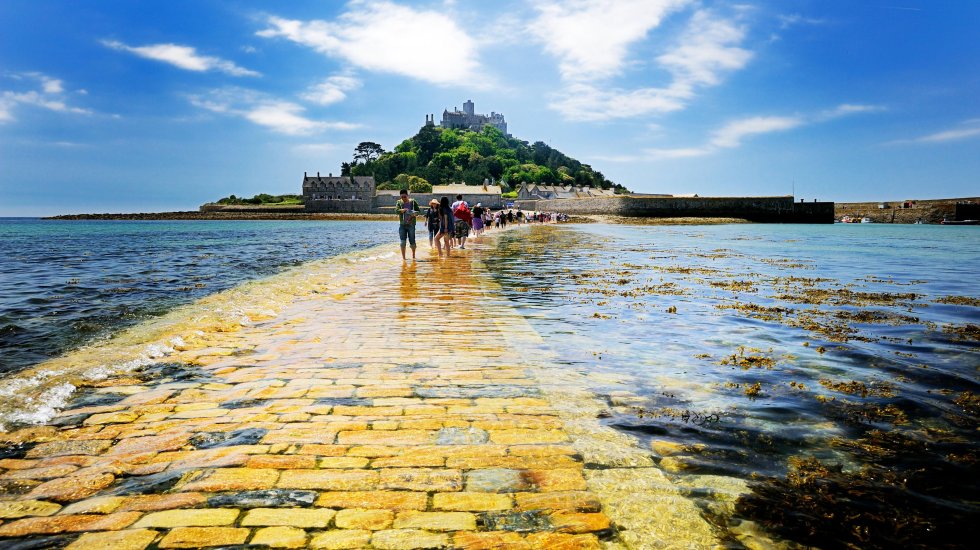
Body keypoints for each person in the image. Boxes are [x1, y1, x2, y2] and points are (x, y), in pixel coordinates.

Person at [396, 189, 420, 261]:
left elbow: (418, 211)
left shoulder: (413, 202)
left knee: (412, 241)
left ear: (407, 195)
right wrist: (402, 210)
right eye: (402, 197)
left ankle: (413, 256)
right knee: (402, 242)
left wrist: (413, 215)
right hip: (402, 225)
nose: (403, 198)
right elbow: (396, 211)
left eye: (404, 196)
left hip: (411, 224)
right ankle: (404, 258)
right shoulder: (399, 203)